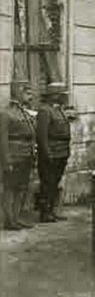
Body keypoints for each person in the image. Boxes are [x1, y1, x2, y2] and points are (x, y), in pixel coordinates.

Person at [36, 83, 75, 222]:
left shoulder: (58, 110)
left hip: (61, 152)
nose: (64, 97)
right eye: (62, 94)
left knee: (54, 183)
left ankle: (52, 210)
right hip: (51, 152)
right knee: (47, 183)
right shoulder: (45, 111)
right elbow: (42, 136)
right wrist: (47, 153)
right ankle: (45, 212)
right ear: (54, 95)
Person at [1, 81, 37, 229]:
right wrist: (6, 160)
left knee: (22, 188)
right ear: (18, 93)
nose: (31, 96)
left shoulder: (25, 112)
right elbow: (2, 140)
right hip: (14, 156)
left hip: (26, 155)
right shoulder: (6, 113)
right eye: (27, 93)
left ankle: (16, 218)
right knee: (10, 188)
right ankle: (9, 220)